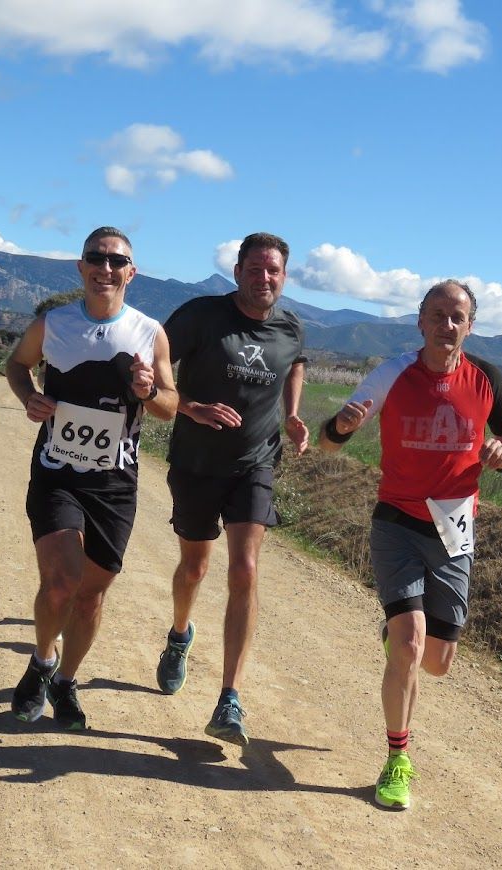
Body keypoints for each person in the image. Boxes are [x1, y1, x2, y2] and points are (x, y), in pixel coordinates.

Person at [318, 279, 502, 809]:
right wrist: (340, 427)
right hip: (398, 522)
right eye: (436, 315)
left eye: (456, 316)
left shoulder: (487, 378)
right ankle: (396, 759)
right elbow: (329, 438)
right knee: (409, 646)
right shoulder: (392, 373)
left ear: (470, 325)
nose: (446, 325)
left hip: (455, 528)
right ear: (420, 321)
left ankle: (396, 637)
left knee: (435, 663)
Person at [6, 226, 177, 729]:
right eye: (95, 259)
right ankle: (41, 663)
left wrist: (148, 392)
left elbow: (170, 407)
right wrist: (29, 396)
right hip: (57, 470)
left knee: (92, 595)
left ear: (131, 272)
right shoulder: (52, 324)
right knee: (60, 581)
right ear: (80, 268)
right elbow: (17, 366)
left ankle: (66, 681)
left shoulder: (149, 332)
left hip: (114, 483)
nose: (106, 268)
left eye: (116, 261)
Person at [154, 231, 309, 747]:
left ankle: (229, 698)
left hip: (255, 464)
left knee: (244, 568)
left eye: (274, 271)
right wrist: (191, 408)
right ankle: (180, 635)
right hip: (196, 463)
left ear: (284, 277)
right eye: (255, 268)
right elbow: (152, 374)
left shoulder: (291, 326)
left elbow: (296, 363)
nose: (264, 278)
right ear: (238, 269)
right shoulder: (201, 315)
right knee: (195, 566)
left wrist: (291, 415)